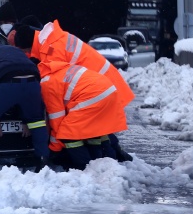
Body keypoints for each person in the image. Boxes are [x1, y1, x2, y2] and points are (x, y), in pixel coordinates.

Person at [14, 20, 134, 162]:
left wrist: (55, 147)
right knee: (97, 128)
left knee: (75, 130)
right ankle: (111, 157)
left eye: (24, 51)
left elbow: (57, 108)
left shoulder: (52, 51)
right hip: (101, 83)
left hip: (94, 88)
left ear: (27, 46)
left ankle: (106, 157)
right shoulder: (50, 40)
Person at [0, 33, 50, 171]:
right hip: (33, 83)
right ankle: (43, 159)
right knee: (36, 120)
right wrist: (26, 120)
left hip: (8, 84)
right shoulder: (14, 50)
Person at [37, 58, 128, 169]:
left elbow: (57, 121)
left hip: (93, 96)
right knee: (95, 132)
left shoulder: (47, 83)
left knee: (67, 133)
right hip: (108, 90)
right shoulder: (60, 68)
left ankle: (84, 167)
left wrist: (53, 150)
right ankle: (108, 161)